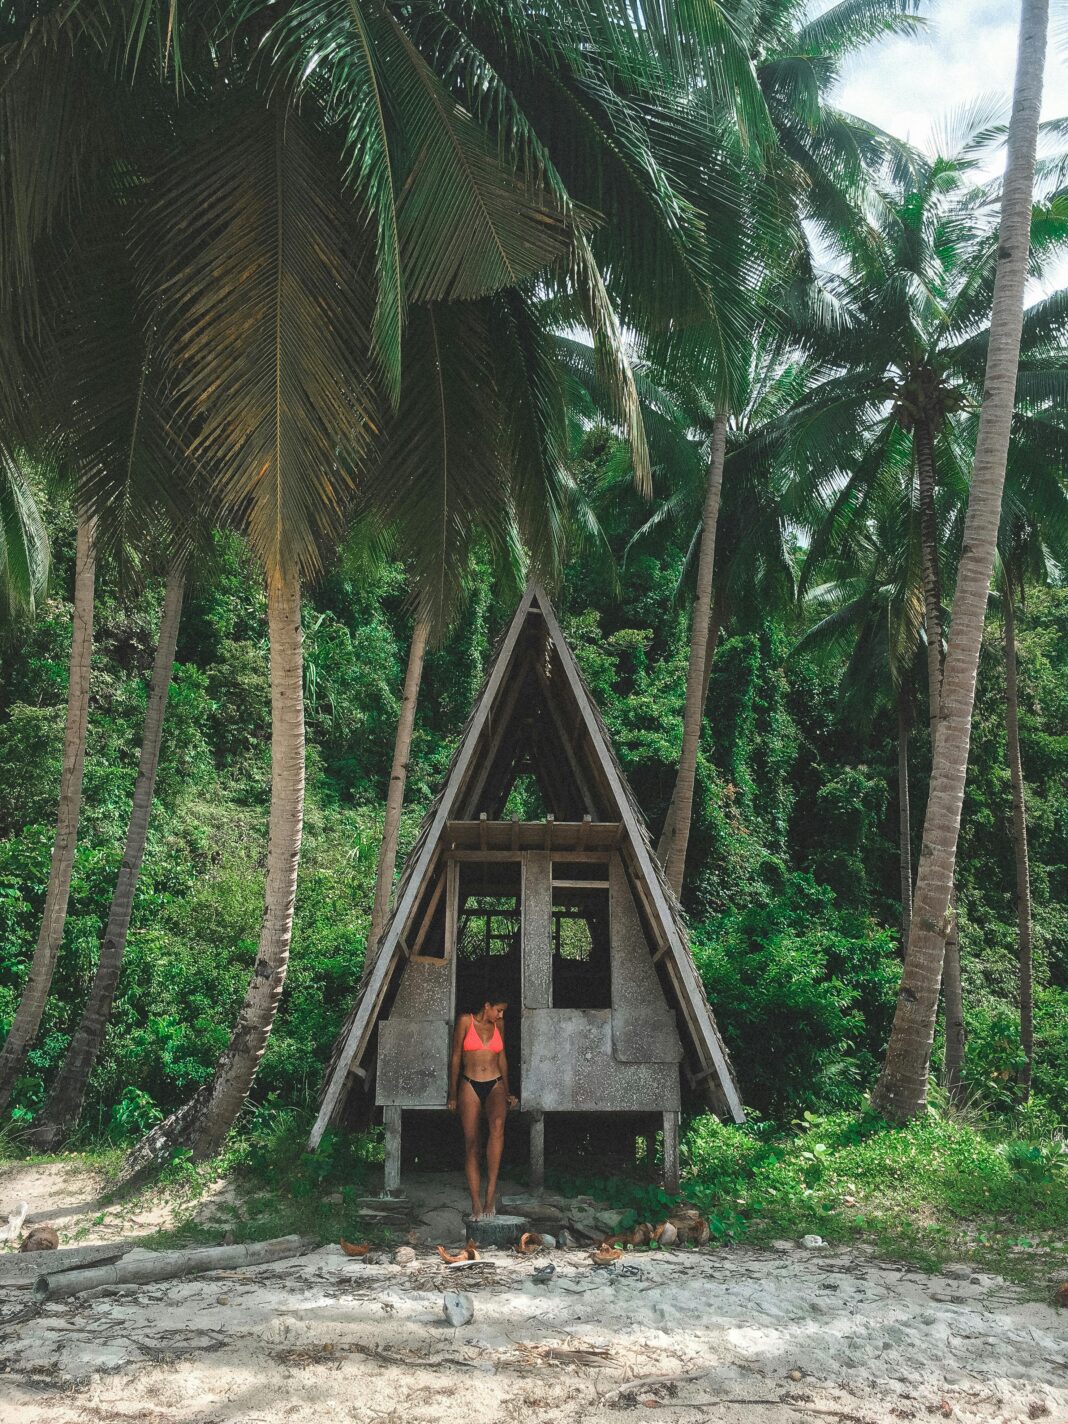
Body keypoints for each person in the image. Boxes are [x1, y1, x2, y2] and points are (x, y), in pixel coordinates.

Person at [447, 997, 518, 1219]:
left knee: (497, 1127)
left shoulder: (499, 1025)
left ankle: (490, 1196)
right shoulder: (465, 1021)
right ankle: (476, 1203)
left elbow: (502, 1058)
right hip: (469, 1083)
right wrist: (452, 1094)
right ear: (487, 1006)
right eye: (499, 1010)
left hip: (495, 1083)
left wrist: (508, 1090)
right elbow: (456, 1057)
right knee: (472, 1144)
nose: (501, 1015)